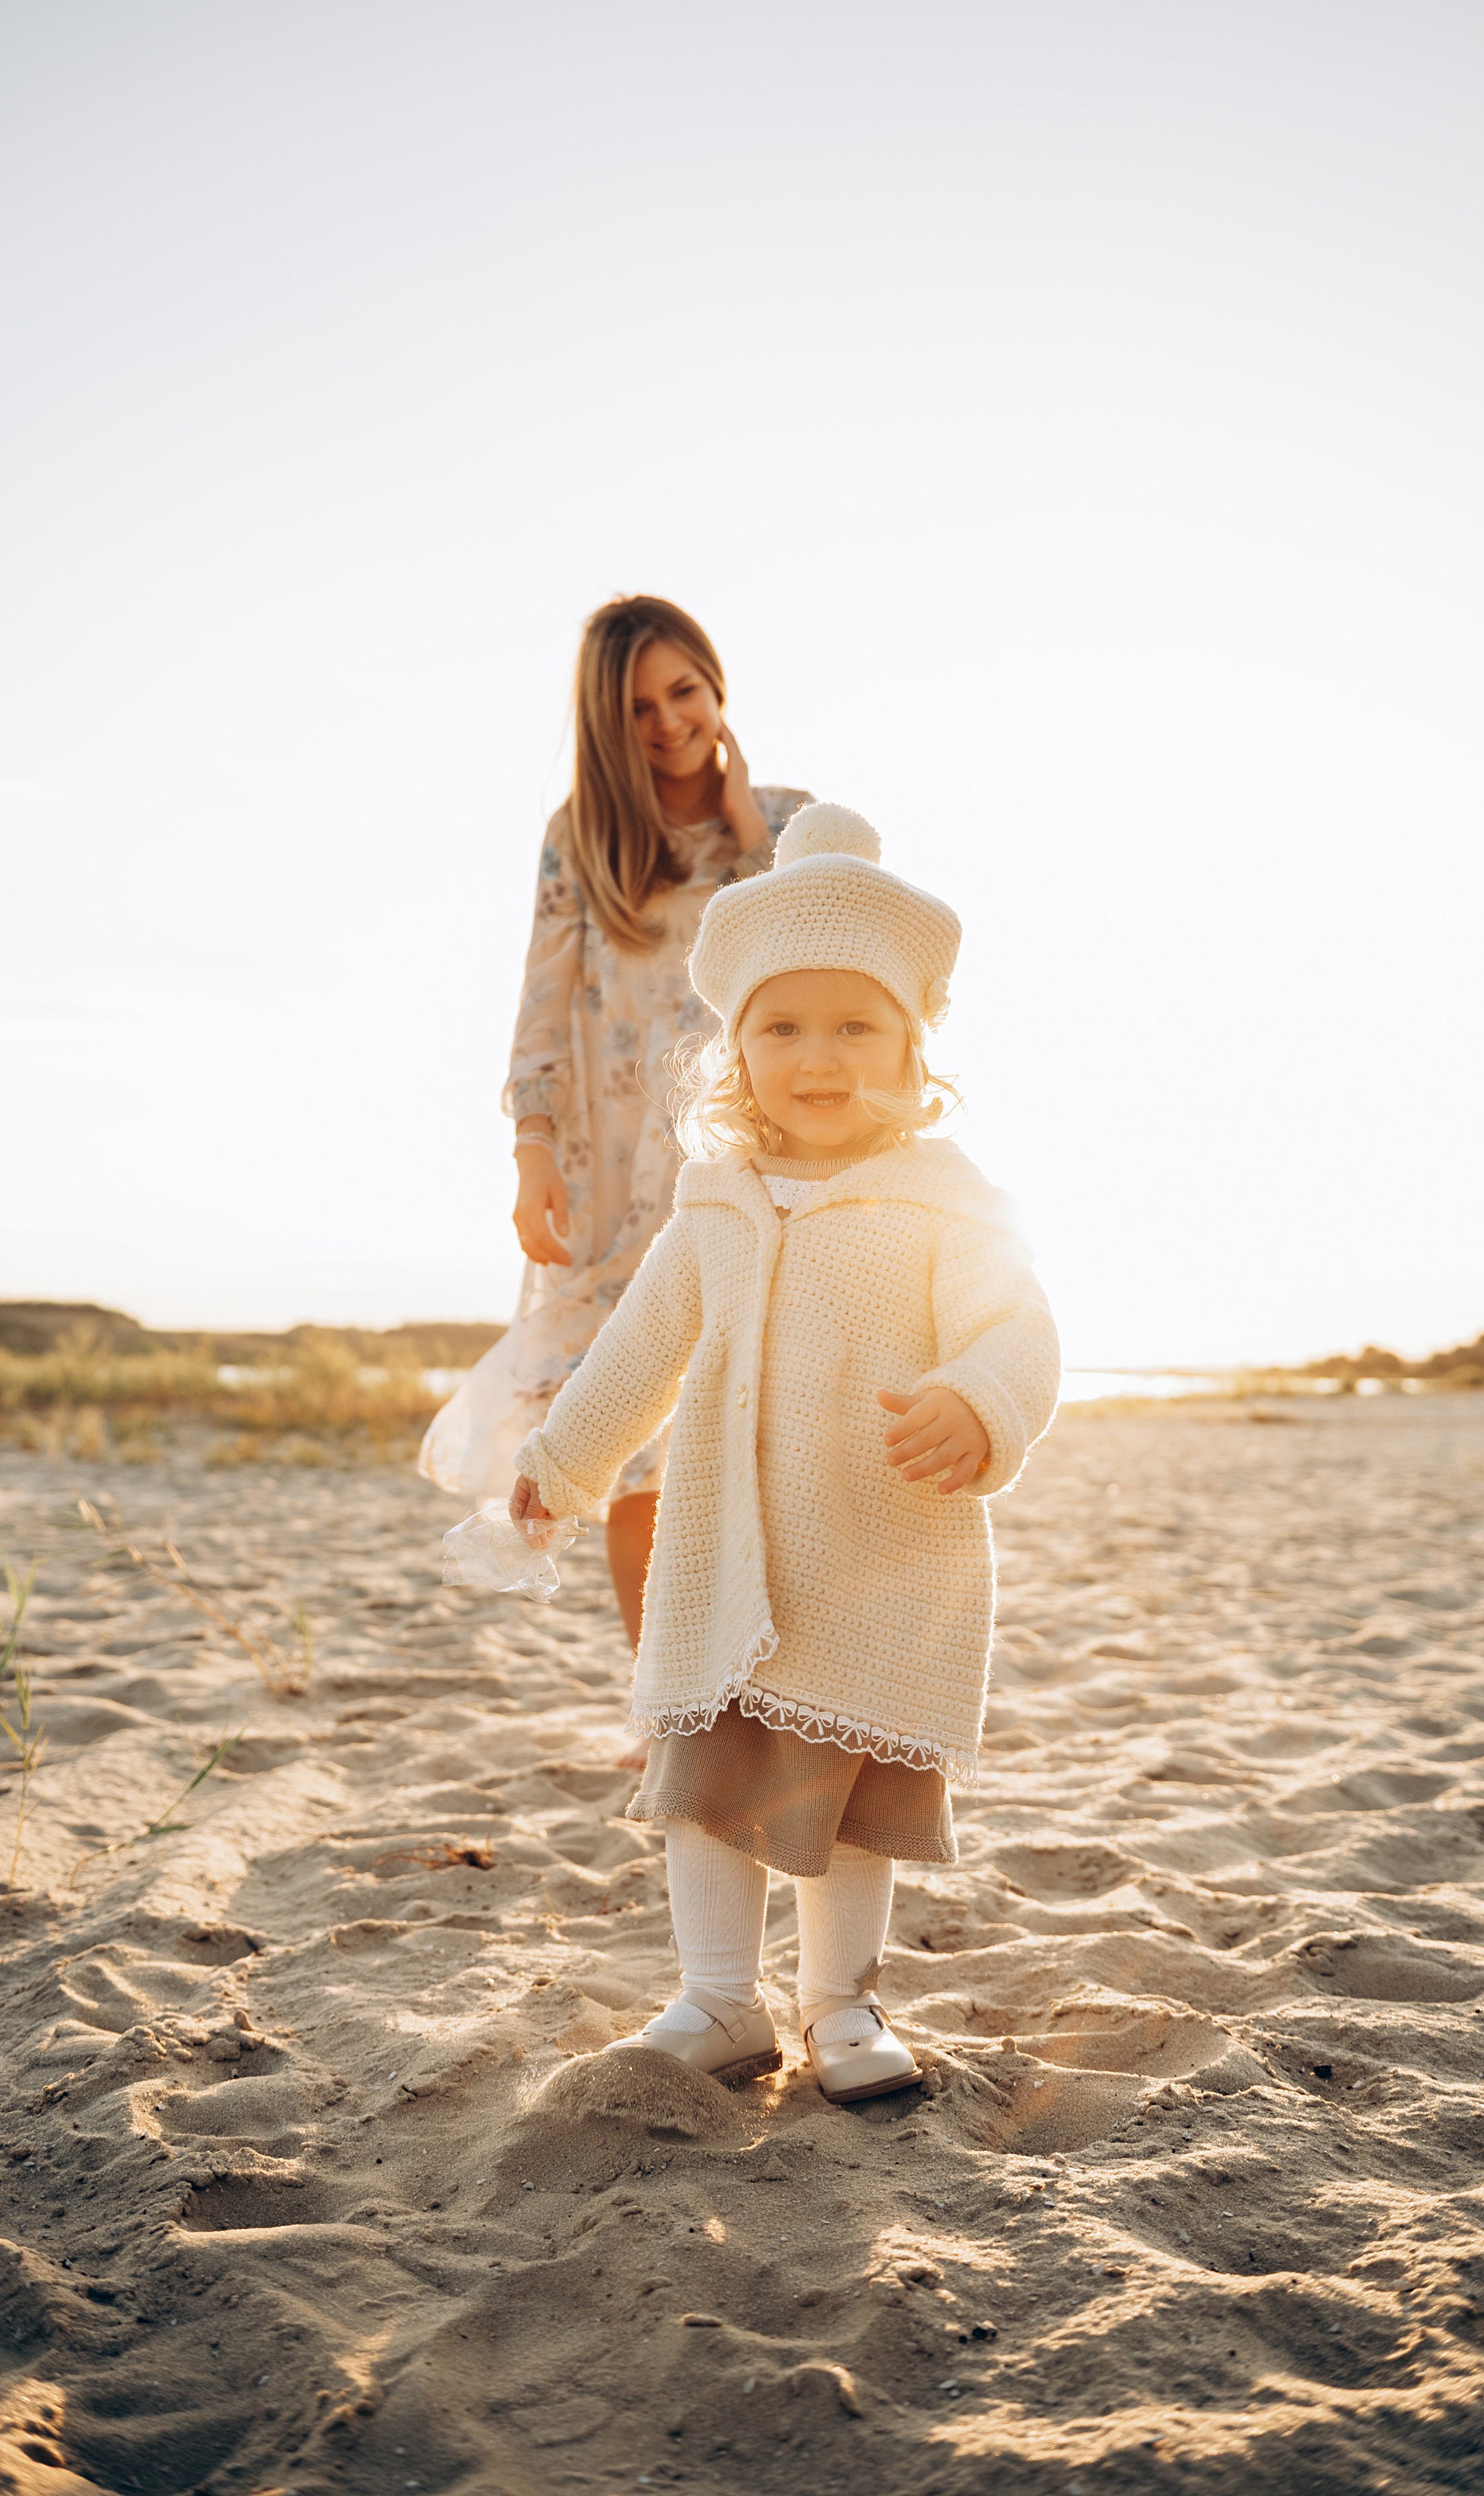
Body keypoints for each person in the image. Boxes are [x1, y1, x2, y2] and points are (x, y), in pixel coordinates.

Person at [508, 802, 1060, 2101]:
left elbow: (1018, 1324)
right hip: (723, 1557)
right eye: (782, 1027)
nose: (819, 1059)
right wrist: (562, 1458)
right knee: (704, 1784)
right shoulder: (714, 1197)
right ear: (736, 1046)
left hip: (874, 1563)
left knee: (848, 1794)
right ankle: (714, 1999)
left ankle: (842, 2006)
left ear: (913, 1046)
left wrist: (980, 1398)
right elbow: (637, 1351)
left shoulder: (947, 1195)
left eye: (857, 1026)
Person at [420, 596, 806, 1647]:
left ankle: (751, 1685)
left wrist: (743, 827)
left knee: (749, 1422)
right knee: (633, 1434)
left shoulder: (789, 822)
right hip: (613, 1168)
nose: (668, 721)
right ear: (606, 720)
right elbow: (541, 1005)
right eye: (637, 707)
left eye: (684, 690)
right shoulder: (580, 839)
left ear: (718, 683)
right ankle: (662, 1700)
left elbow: (821, 951)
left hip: (751, 1152)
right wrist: (531, 1154)